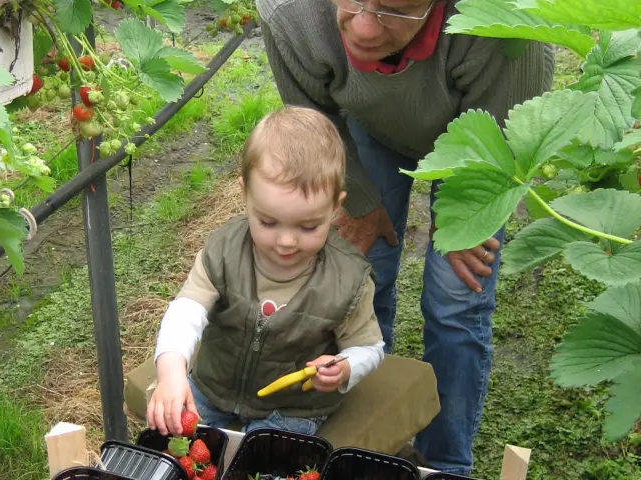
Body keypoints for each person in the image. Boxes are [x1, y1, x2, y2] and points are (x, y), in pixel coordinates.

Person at [256, 0, 555, 474]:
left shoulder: (507, 31)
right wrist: (356, 197)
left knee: (457, 300)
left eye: (396, 9)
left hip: (481, 144)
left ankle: (445, 464)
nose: (366, 26)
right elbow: (310, 119)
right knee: (360, 279)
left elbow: (506, 131)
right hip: (370, 125)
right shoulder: (290, 12)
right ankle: (373, 442)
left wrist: (465, 217)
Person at [146, 106, 386, 437]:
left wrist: (345, 367)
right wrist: (171, 374)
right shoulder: (226, 250)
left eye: (308, 226)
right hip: (212, 389)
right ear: (245, 194)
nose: (286, 241)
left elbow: (370, 347)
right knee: (169, 439)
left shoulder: (347, 279)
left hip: (292, 407)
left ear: (335, 206)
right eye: (268, 222)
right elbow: (185, 312)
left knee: (263, 462)